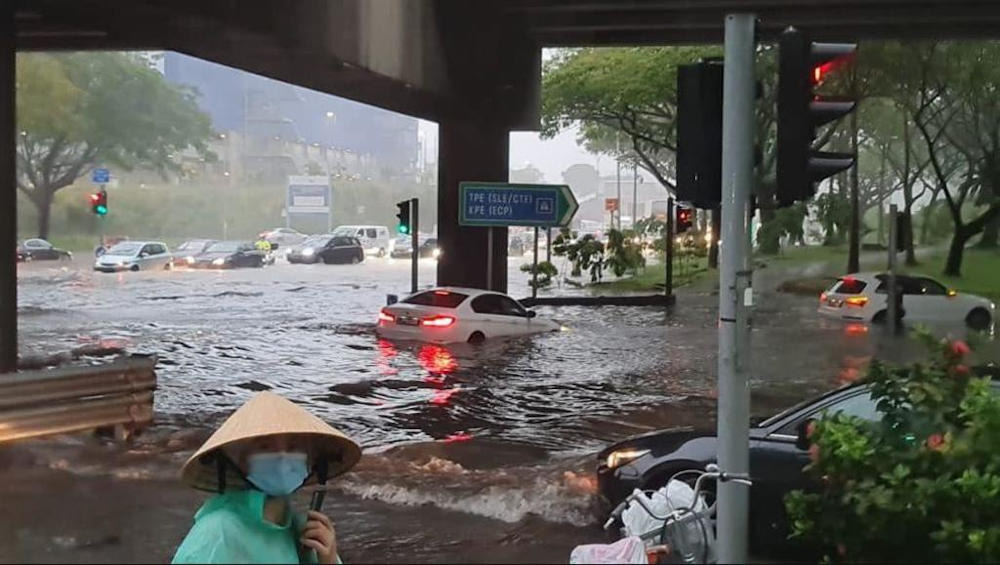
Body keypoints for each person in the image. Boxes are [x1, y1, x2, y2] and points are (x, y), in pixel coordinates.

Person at [172, 392, 362, 564]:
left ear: (311, 459)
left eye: (294, 447)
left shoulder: (300, 530)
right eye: (264, 447)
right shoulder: (217, 533)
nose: (282, 457)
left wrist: (328, 558)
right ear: (239, 461)